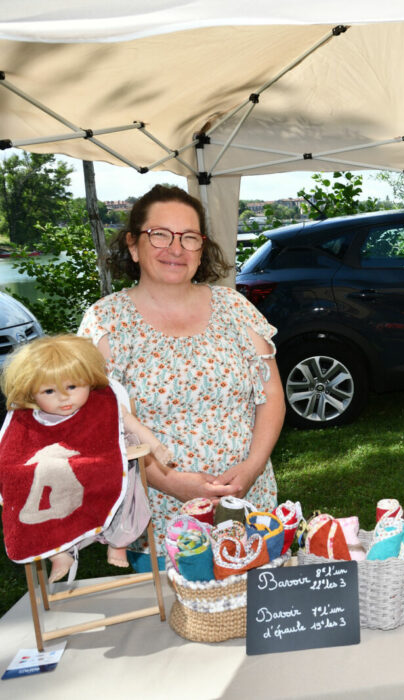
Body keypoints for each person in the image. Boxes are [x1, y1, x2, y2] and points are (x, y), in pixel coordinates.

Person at [78, 185, 284, 544]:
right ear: (132, 245)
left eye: (189, 237)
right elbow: (99, 424)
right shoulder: (105, 322)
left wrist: (251, 469)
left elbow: (271, 394)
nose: (175, 249)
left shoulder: (234, 307)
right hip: (161, 513)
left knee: (254, 598)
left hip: (250, 502)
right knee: (177, 602)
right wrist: (171, 483)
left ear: (201, 248)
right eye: (159, 235)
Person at [0, 335, 172, 581]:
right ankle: (60, 551)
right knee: (27, 486)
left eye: (72, 387)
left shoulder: (104, 404)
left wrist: (157, 447)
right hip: (59, 482)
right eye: (49, 391)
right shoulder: (28, 421)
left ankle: (119, 540)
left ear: (88, 381)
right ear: (31, 393)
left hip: (104, 468)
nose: (63, 398)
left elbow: (133, 425)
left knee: (125, 484)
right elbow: (12, 457)